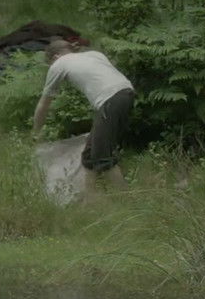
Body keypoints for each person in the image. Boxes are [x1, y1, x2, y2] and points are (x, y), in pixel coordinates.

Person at [32, 40, 135, 188]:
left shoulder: (59, 64)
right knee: (89, 155)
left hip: (110, 99)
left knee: (102, 156)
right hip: (126, 94)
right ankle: (90, 198)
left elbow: (43, 105)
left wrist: (36, 132)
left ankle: (127, 197)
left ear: (55, 57)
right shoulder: (94, 54)